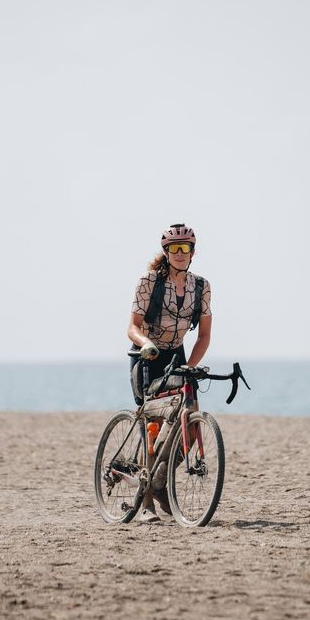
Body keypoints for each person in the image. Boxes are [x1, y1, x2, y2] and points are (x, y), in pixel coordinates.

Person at [127, 223, 212, 522]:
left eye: (185, 248)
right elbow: (132, 327)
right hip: (147, 357)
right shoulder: (149, 281)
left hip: (177, 357)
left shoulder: (201, 286)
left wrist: (190, 366)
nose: (179, 253)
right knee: (154, 427)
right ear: (165, 252)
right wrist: (146, 343)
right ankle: (146, 501)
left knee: (190, 425)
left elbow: (203, 336)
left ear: (192, 252)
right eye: (174, 248)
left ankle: (160, 481)